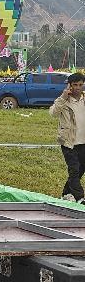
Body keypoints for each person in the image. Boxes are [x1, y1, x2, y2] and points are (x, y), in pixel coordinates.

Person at [50, 72, 85, 202]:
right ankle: (80, 197)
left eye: (80, 85)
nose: (78, 88)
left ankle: (66, 193)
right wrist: (63, 97)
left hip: (83, 142)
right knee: (74, 170)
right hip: (68, 142)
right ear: (69, 85)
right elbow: (53, 113)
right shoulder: (63, 100)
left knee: (80, 170)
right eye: (75, 85)